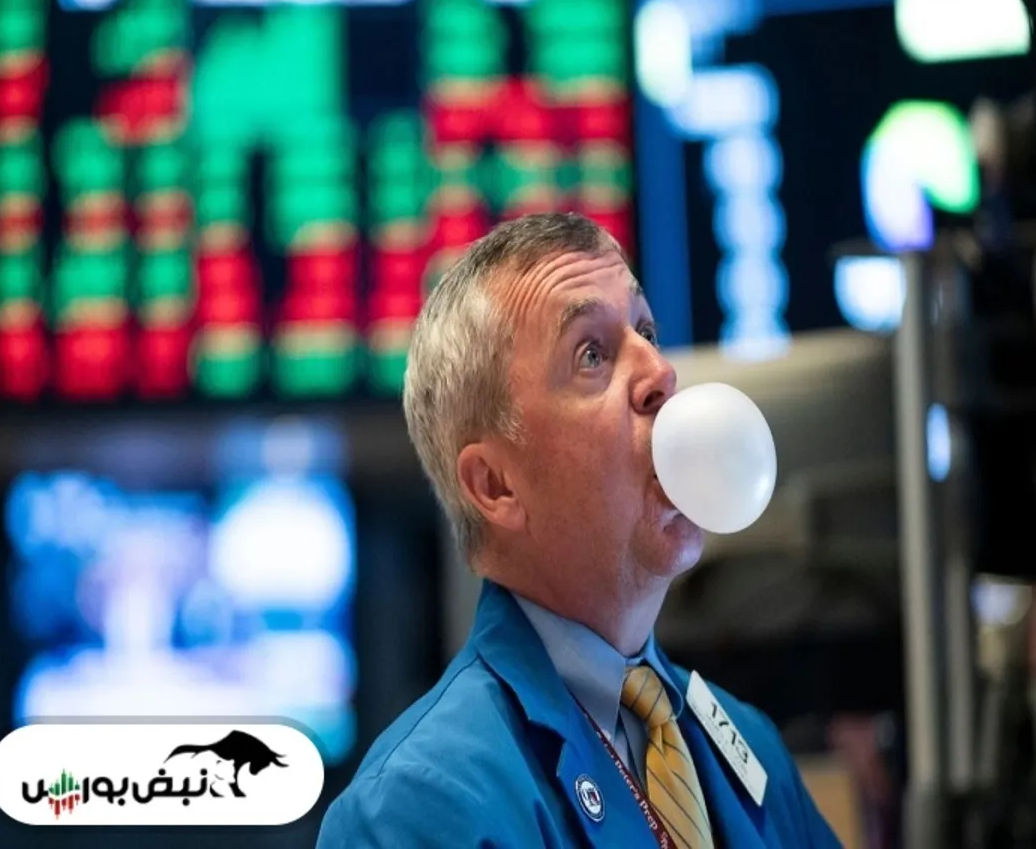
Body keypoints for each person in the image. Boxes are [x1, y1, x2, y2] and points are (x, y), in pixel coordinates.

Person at [318, 213, 841, 848]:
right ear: (496, 485)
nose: (661, 373)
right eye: (592, 354)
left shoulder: (750, 746)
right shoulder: (416, 808)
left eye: (646, 331)